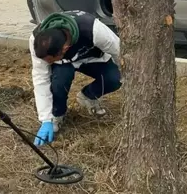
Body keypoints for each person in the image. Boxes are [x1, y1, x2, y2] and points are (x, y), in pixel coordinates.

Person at [29, 10, 122, 146]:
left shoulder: (93, 29)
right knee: (59, 81)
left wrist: (129, 78)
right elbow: (40, 78)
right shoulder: (37, 41)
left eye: (50, 61)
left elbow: (119, 52)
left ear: (65, 48)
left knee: (116, 78)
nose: (47, 64)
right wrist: (45, 119)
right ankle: (57, 115)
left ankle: (88, 96)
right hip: (64, 65)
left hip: (91, 58)